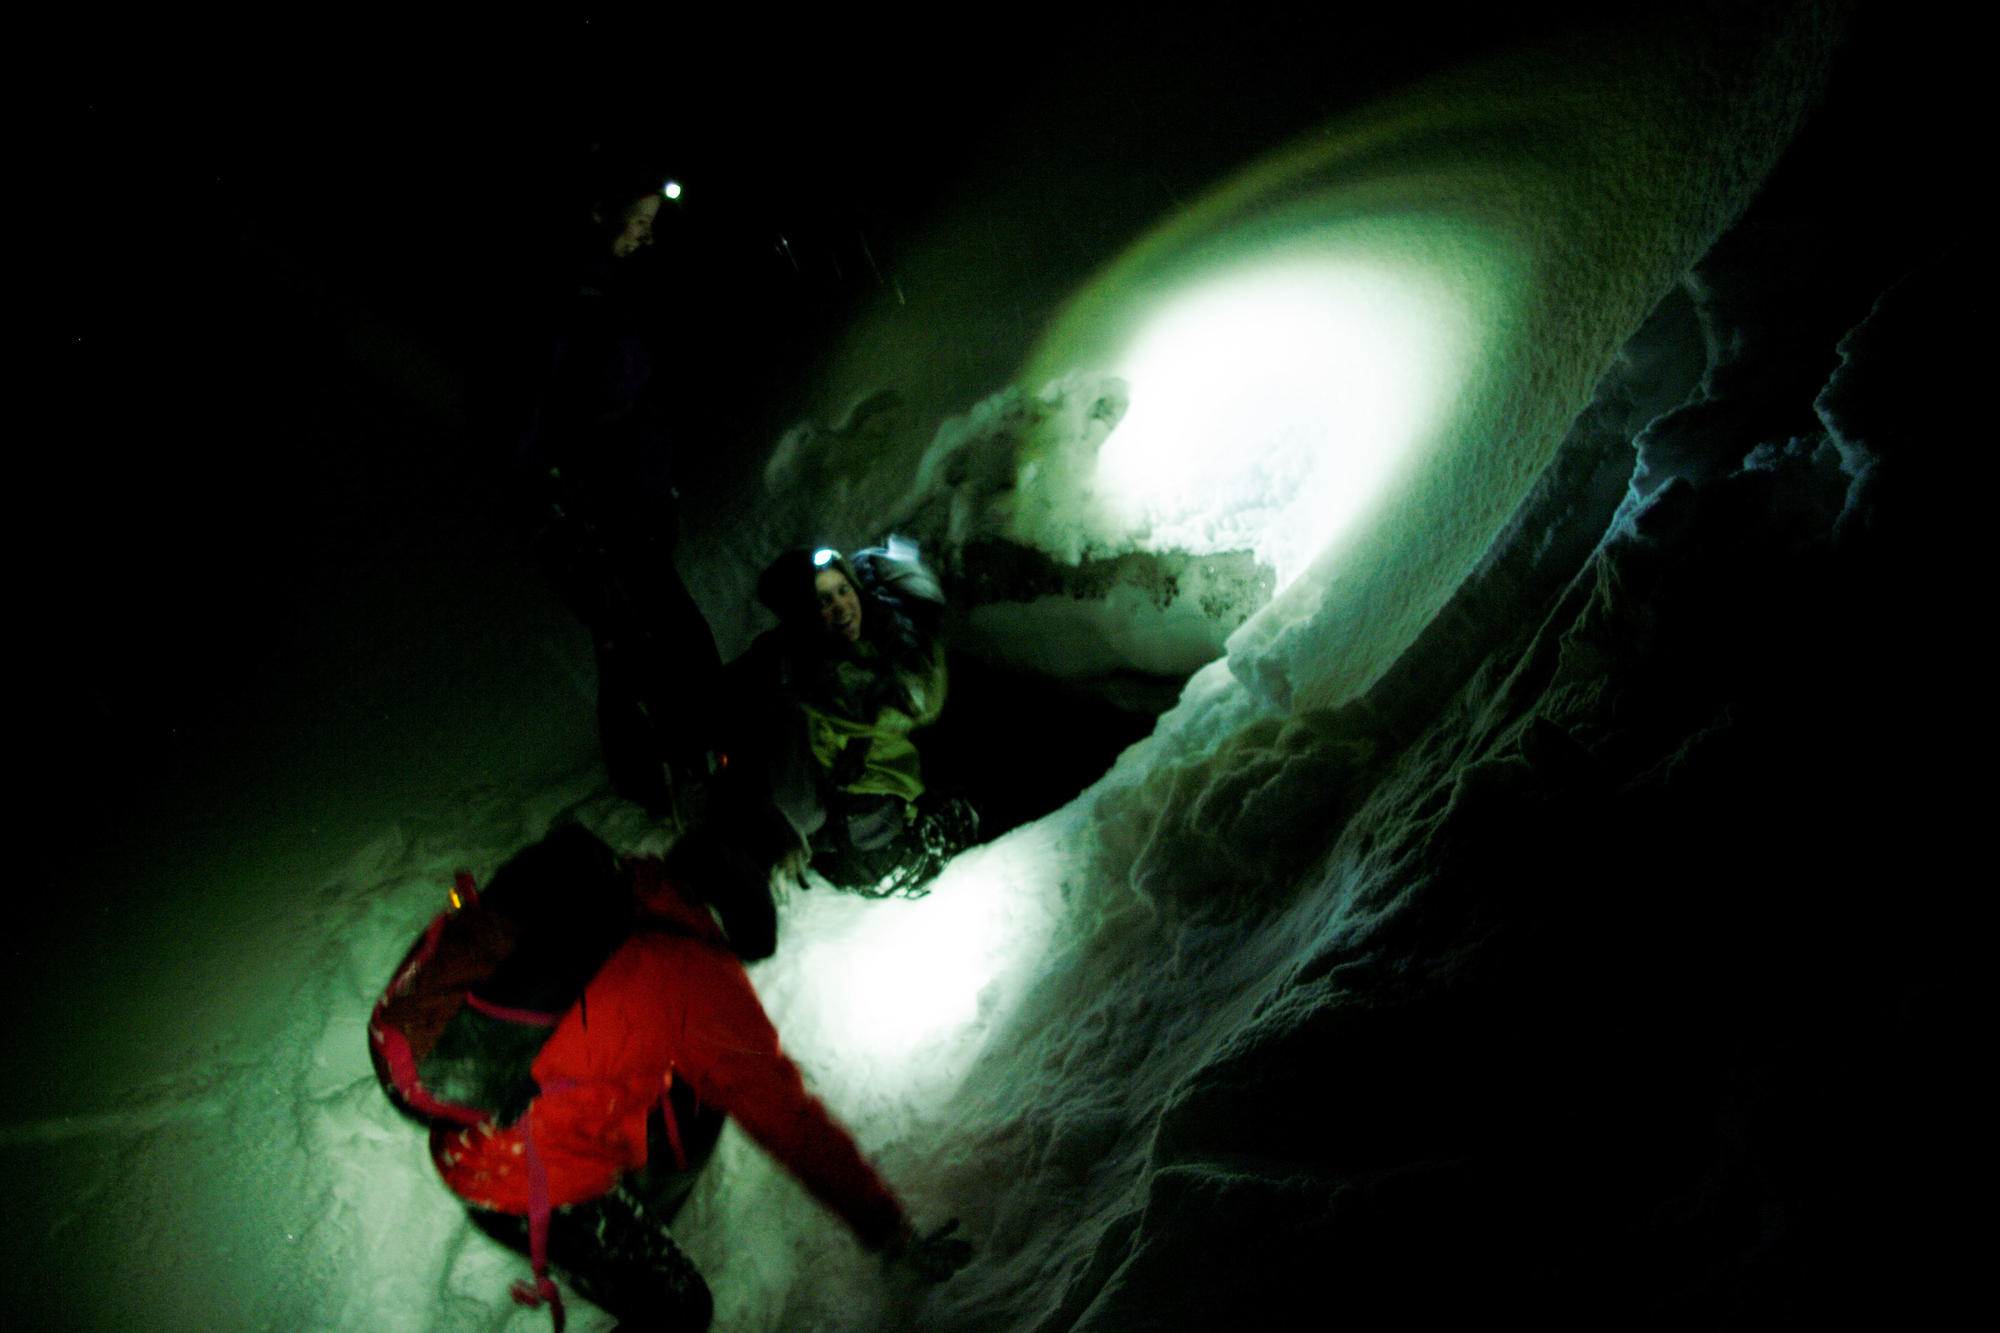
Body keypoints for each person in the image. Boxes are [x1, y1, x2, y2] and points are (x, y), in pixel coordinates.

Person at [425, 827, 969, 1330]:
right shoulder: (694, 978)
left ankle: (629, 1218)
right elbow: (791, 1122)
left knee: (687, 1096)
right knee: (681, 1313)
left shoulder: (616, 892)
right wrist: (888, 1233)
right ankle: (620, 1239)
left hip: (466, 1113)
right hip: (513, 1173)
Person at [516, 147, 722, 818]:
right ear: (599, 211)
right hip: (596, 511)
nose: (649, 234)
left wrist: (659, 487)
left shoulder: (610, 288)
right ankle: (683, 772)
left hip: (631, 499)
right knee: (654, 639)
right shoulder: (564, 294)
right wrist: (552, 500)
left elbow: (634, 395)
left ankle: (670, 772)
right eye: (640, 219)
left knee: (641, 641)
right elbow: (531, 409)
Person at [719, 538, 978, 897]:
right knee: (976, 809)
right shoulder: (829, 679)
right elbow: (918, 696)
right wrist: (920, 611)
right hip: (877, 854)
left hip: (860, 840)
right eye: (823, 601)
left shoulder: (791, 651)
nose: (842, 607)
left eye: (843, 590)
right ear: (804, 614)